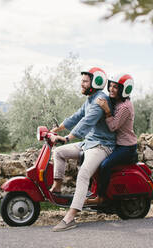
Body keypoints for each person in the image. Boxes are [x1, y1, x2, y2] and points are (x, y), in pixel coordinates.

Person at [49, 67, 115, 232]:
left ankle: (70, 217)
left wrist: (67, 138)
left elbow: (86, 122)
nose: (82, 84)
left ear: (95, 82)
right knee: (59, 152)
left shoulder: (100, 100)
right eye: (82, 81)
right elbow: (77, 116)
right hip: (89, 142)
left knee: (83, 173)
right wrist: (57, 129)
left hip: (102, 145)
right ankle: (57, 186)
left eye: (85, 81)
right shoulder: (90, 99)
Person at [88, 74, 138, 205]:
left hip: (126, 148)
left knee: (105, 165)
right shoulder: (118, 102)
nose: (111, 88)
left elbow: (113, 127)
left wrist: (107, 111)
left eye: (115, 87)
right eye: (110, 85)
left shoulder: (125, 107)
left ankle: (101, 196)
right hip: (118, 145)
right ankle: (92, 190)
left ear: (124, 89)